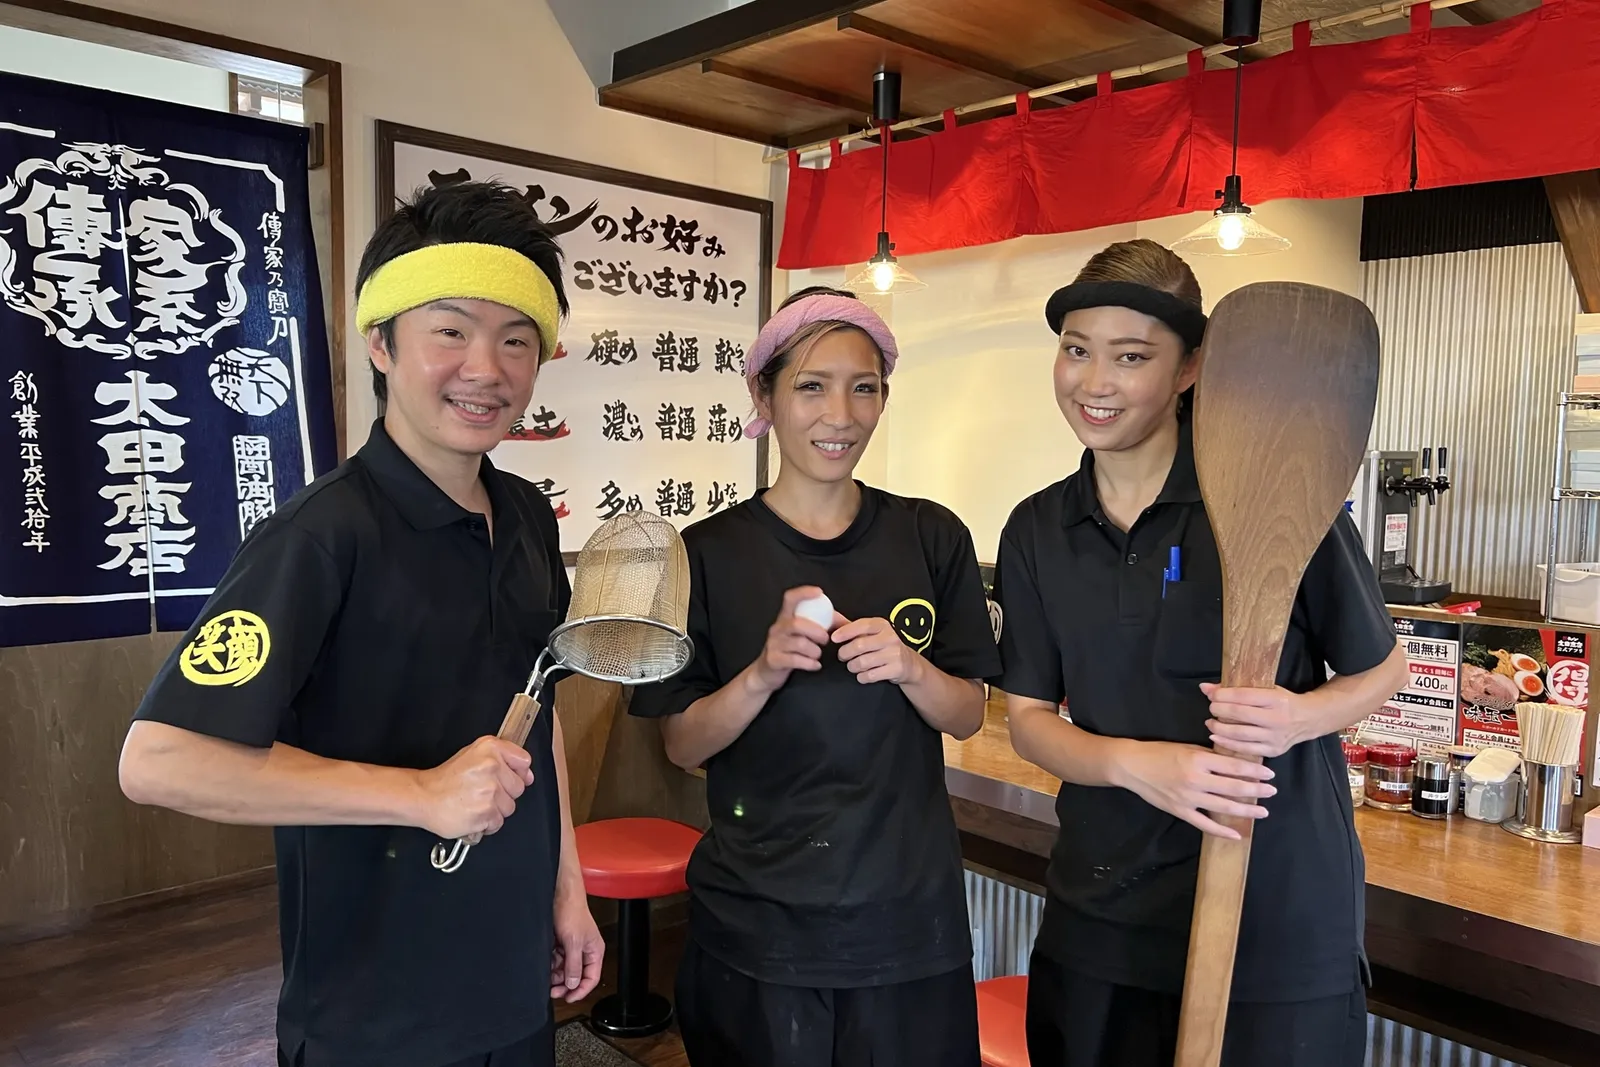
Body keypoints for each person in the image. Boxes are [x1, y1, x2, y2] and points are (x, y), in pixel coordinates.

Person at [117, 180, 603, 1067]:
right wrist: (417, 794)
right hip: (374, 1013)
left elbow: (539, 709)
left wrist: (566, 888)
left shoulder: (529, 516)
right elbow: (157, 758)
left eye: (516, 339)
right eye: (450, 330)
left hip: (510, 984)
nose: (485, 368)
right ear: (381, 343)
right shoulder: (319, 536)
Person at [988, 239, 1407, 1067]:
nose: (1094, 382)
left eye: (1131, 357)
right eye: (1076, 351)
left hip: (1274, 914)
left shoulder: (1279, 494)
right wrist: (1140, 766)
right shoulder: (1037, 528)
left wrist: (1298, 715)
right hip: (1104, 914)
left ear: (1188, 370)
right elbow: (1031, 720)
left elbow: (1383, 670)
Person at [630, 286, 1001, 1067]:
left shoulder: (932, 535)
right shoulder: (704, 553)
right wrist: (761, 673)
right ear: (764, 393)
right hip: (760, 924)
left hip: (906, 922)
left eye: (863, 387)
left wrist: (909, 666)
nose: (841, 414)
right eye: (811, 384)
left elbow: (967, 713)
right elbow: (681, 743)